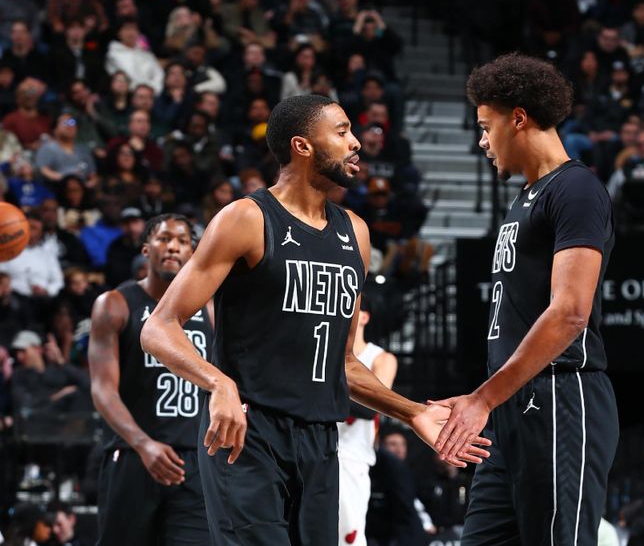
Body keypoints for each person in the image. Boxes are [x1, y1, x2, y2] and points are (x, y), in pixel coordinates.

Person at [140, 94, 490, 545]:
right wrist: (218, 384)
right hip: (249, 433)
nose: (356, 143)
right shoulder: (246, 218)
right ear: (303, 146)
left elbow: (342, 363)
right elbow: (159, 327)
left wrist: (414, 413)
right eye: (342, 132)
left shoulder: (355, 233)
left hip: (323, 440)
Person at [429, 54, 617, 545]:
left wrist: (482, 398)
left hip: (561, 396)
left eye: (487, 126)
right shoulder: (526, 197)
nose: (482, 141)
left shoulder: (576, 189)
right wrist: (491, 400)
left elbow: (571, 313)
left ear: (519, 118)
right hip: (511, 406)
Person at [88, 213, 213, 545]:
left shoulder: (212, 310)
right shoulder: (115, 304)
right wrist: (143, 444)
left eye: (182, 241)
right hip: (133, 455)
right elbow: (102, 389)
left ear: (192, 252)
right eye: (163, 238)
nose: (172, 247)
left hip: (194, 463)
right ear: (146, 249)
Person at [337, 291, 398, 546]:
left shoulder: (381, 358)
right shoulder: (328, 354)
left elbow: (373, 406)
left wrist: (318, 393)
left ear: (364, 317)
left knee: (350, 534)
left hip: (353, 454)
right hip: (317, 446)